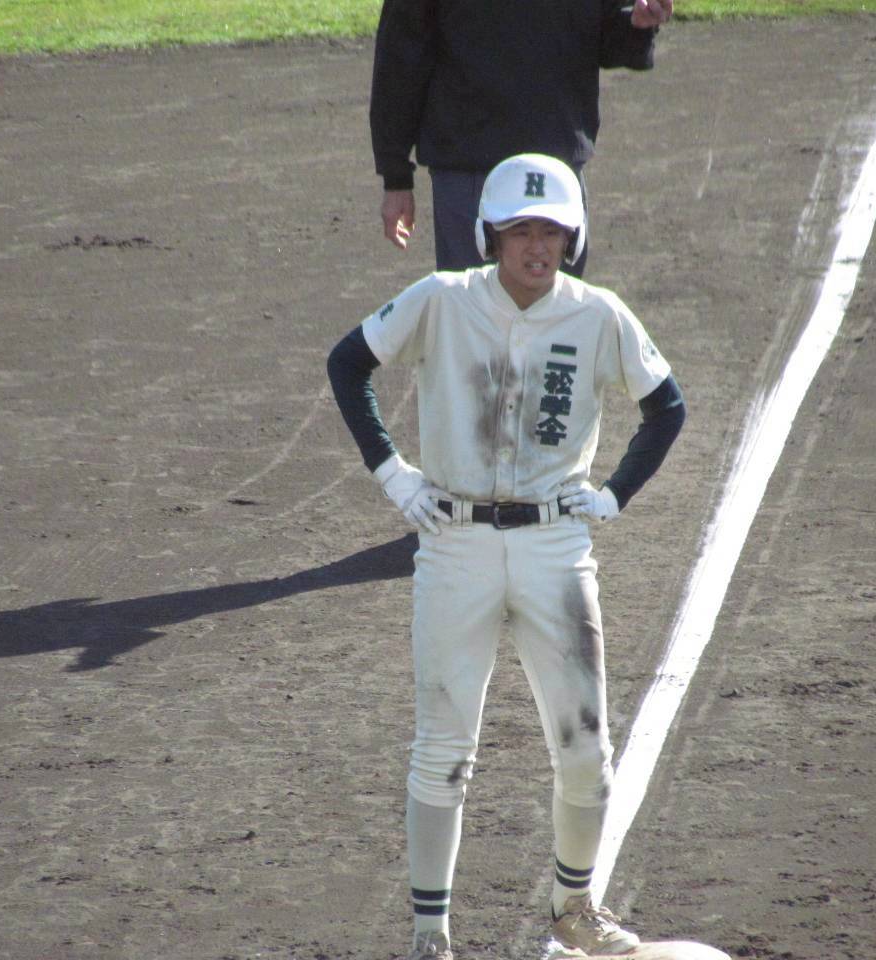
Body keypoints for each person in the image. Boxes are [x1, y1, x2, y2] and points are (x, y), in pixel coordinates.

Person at [326, 153, 686, 960]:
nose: (536, 246)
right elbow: (348, 364)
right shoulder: (441, 299)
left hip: (555, 547)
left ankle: (574, 907)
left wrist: (615, 493)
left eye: (551, 231)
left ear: (572, 238)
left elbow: (666, 407)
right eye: (521, 230)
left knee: (585, 748)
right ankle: (430, 935)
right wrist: (393, 476)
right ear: (492, 234)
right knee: (443, 750)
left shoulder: (599, 315)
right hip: (454, 543)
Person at [369, 0, 674, 278]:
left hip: (558, 166)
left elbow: (607, 35)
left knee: (560, 313)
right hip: (471, 173)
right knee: (474, 313)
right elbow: (400, 54)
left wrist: (638, 22)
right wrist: (395, 176)